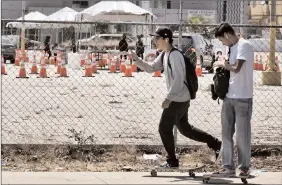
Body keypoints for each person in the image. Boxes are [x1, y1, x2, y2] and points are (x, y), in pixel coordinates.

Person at [130, 28, 222, 168]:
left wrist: (168, 98)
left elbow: (178, 80)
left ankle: (172, 161)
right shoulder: (164, 54)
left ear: (166, 39)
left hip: (178, 98)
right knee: (186, 129)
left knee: (164, 128)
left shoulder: (175, 56)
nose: (155, 41)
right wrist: (137, 60)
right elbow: (150, 68)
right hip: (179, 98)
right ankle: (216, 144)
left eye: (157, 38)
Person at [213, 23, 254, 178]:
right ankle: (228, 167)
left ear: (227, 35)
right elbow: (230, 68)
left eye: (222, 40)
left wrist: (223, 64)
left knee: (242, 136)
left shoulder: (245, 45)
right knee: (226, 134)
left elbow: (236, 67)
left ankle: (244, 167)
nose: (223, 44)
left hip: (243, 97)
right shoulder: (229, 48)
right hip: (229, 97)